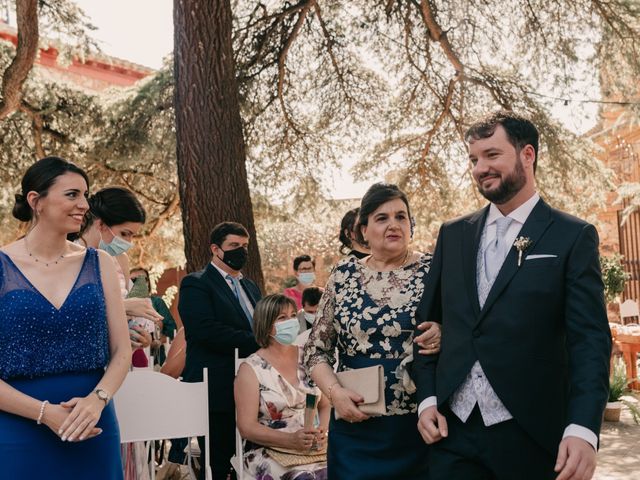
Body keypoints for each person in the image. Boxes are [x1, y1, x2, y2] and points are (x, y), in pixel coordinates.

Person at [412, 111, 612, 480]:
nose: (479, 167)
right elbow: (427, 328)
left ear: (527, 155)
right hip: (453, 436)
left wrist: (583, 428)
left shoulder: (571, 236)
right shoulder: (453, 235)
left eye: (492, 155)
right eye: (473, 159)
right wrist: (427, 400)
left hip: (532, 434)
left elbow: (590, 341)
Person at [0, 156, 131, 478]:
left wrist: (97, 400)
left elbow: (122, 352)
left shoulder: (99, 262)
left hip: (92, 422)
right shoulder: (2, 265)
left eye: (85, 195)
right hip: (18, 426)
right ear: (36, 201)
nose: (84, 204)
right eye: (72, 194)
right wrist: (45, 414)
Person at [304, 183, 442, 480]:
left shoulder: (433, 270)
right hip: (355, 428)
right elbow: (316, 351)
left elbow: (465, 329)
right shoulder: (343, 275)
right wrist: (335, 393)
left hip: (419, 425)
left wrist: (444, 333)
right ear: (363, 230)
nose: (393, 225)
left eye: (401, 217)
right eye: (382, 218)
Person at [178, 221, 262, 479]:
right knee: (218, 462)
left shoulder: (251, 287)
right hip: (216, 386)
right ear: (216, 249)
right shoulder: (196, 283)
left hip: (253, 385)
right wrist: (258, 341)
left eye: (245, 246)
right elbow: (206, 330)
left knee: (251, 460)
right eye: (234, 246)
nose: (242, 251)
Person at [235, 294, 329, 479]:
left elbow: (325, 404)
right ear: (266, 324)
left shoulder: (310, 358)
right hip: (269, 449)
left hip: (314, 449)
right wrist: (290, 441)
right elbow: (246, 427)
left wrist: (322, 431)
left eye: (293, 315)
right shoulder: (250, 369)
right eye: (282, 318)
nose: (291, 321)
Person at [79, 187, 163, 359]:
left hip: (117, 358)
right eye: (124, 233)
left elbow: (124, 318)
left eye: (132, 236)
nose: (128, 242)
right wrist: (123, 308)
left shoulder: (120, 259)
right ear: (101, 224)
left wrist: (138, 336)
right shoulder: (69, 256)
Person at [130, 267, 178, 366]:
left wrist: (158, 341)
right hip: (131, 358)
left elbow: (172, 331)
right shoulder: (124, 305)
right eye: (133, 280)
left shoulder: (157, 303)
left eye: (142, 279)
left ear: (148, 283)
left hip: (156, 359)